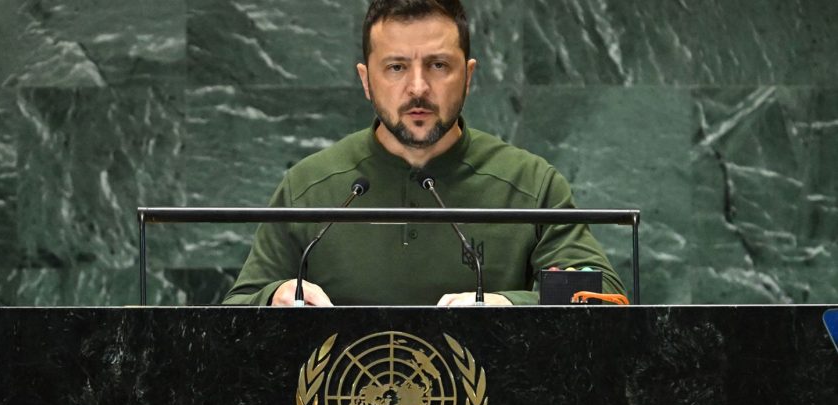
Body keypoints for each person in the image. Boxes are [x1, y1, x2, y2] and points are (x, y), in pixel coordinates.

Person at [223, 0, 625, 306]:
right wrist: (274, 296)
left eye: (437, 65)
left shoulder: (531, 184)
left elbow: (604, 296)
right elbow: (236, 309)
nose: (417, 87)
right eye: (396, 67)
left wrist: (508, 305)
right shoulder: (309, 187)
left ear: (467, 77)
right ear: (366, 80)